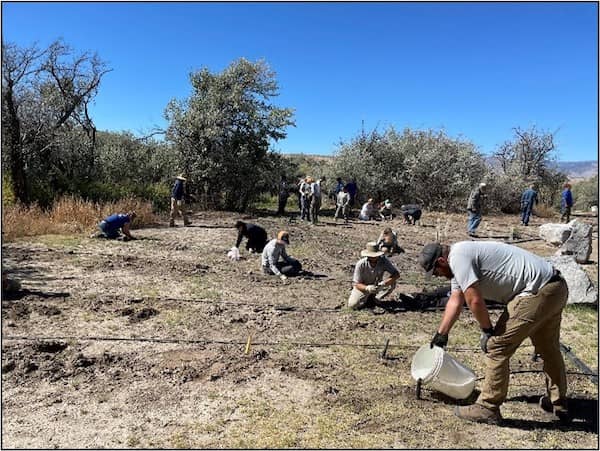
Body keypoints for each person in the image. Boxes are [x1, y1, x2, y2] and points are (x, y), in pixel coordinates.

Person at [419, 241, 569, 425]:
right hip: (555, 287)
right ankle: (558, 401)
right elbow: (455, 301)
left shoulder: (458, 257)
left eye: (436, 272)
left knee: (497, 347)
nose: (438, 276)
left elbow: (474, 300)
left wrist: (487, 331)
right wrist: (441, 335)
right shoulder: (460, 257)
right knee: (548, 347)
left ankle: (488, 407)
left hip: (536, 291)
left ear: (441, 261)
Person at [348, 242, 400, 310]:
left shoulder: (384, 261)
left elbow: (396, 274)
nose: (373, 257)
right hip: (363, 287)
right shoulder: (361, 264)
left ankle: (375, 298)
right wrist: (367, 288)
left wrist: (384, 283)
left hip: (377, 286)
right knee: (352, 305)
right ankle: (367, 299)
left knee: (392, 283)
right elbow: (356, 284)